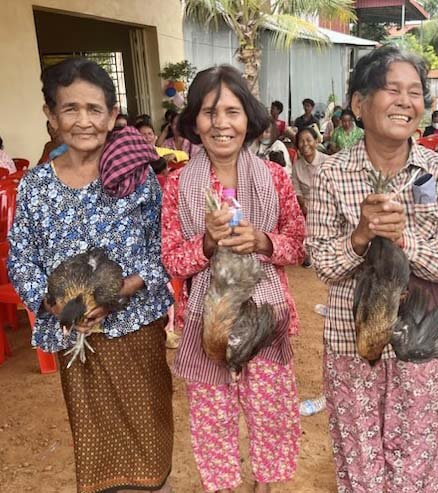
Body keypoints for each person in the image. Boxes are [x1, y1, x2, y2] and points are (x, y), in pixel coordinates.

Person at [306, 45, 438, 492]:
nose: (406, 101)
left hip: (421, 343)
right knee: (359, 470)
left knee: (415, 469)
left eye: (415, 92)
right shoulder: (332, 174)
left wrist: (402, 240)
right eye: (391, 89)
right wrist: (360, 236)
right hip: (351, 344)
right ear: (359, 104)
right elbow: (322, 264)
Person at [8, 58, 174, 493]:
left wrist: (123, 290)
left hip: (135, 332)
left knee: (149, 434)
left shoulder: (137, 180)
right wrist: (57, 304)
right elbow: (21, 259)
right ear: (50, 115)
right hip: (74, 338)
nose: (83, 121)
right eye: (70, 109)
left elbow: (164, 251)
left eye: (94, 109)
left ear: (113, 116)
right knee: (96, 441)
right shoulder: (35, 187)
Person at [161, 64, 305, 493]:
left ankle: (265, 486)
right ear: (194, 121)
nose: (220, 124)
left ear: (249, 118)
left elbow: (298, 246)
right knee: (212, 420)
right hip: (207, 327)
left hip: (264, 317)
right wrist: (206, 244)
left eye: (232, 111)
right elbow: (170, 259)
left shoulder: (274, 177)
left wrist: (263, 241)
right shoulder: (176, 186)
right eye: (208, 112)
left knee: (271, 414)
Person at [291, 126, 327, 268]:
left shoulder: (328, 161)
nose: (305, 144)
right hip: (307, 207)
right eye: (301, 141)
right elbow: (297, 190)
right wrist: (304, 206)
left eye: (308, 140)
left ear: (316, 141)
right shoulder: (297, 166)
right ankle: (308, 252)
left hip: (326, 204)